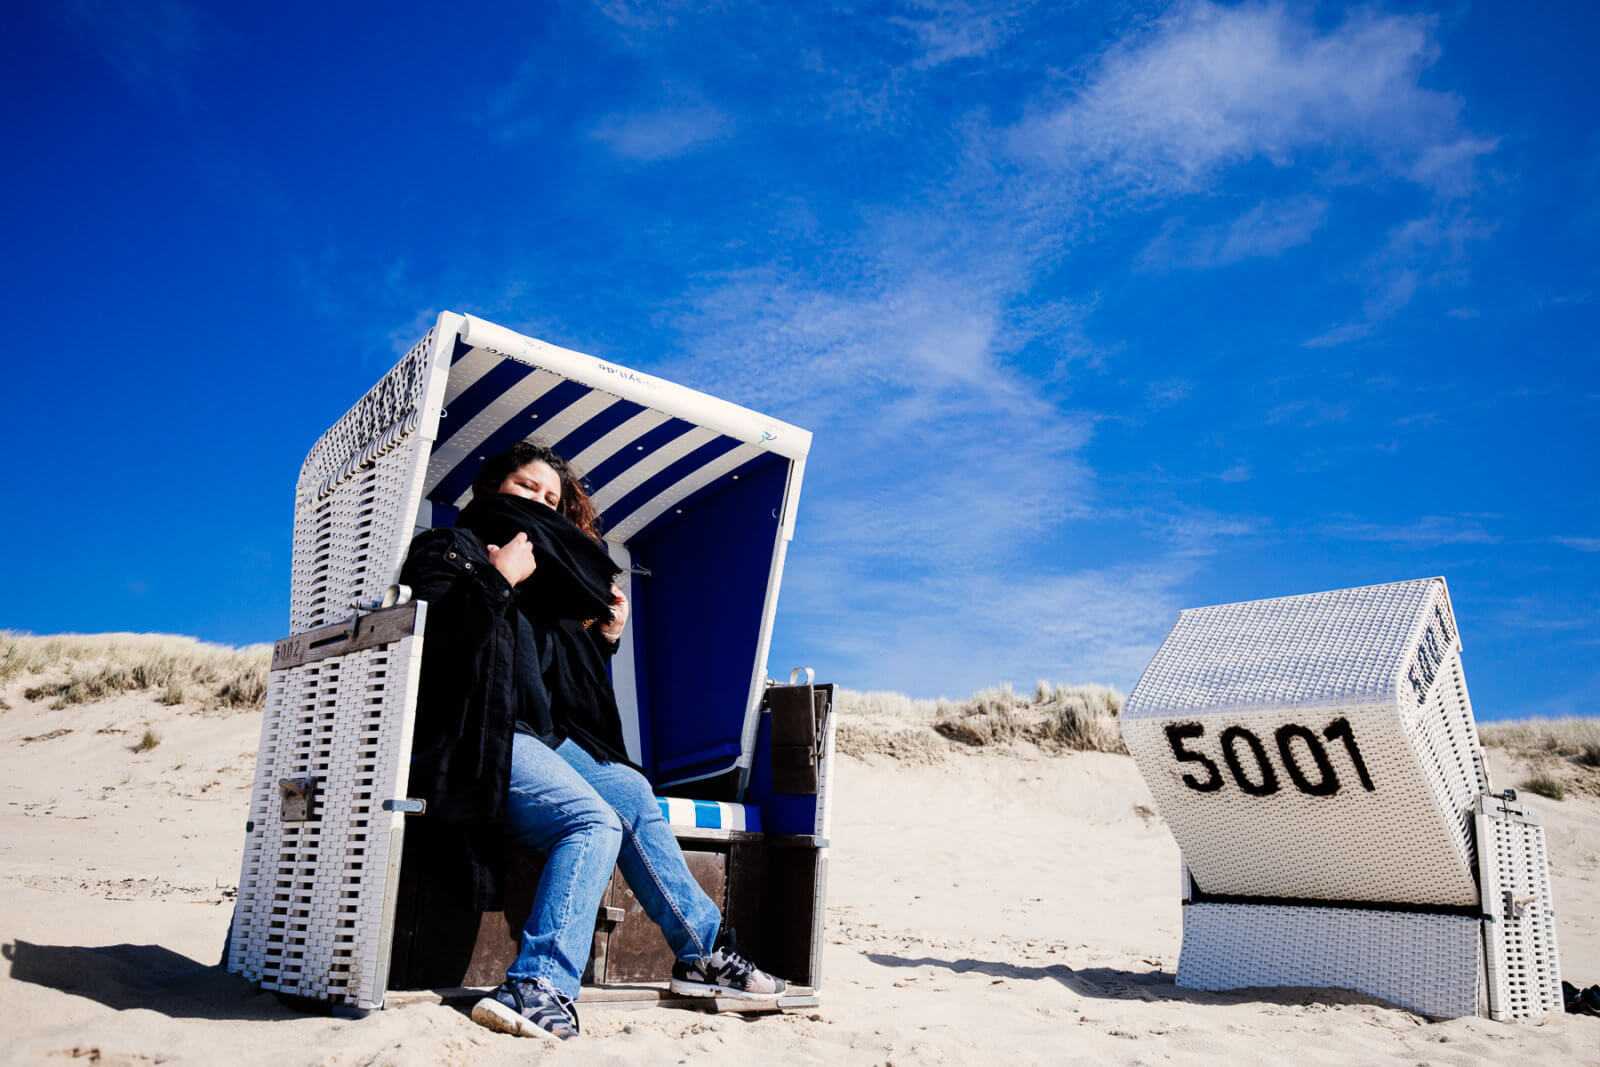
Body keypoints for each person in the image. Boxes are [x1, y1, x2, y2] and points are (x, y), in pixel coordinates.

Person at [399, 442, 786, 1043]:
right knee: (592, 822)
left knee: (630, 789)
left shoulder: (549, 593)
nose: (541, 504)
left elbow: (562, 692)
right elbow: (434, 646)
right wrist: (497, 580)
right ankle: (538, 985)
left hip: (539, 736)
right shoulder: (452, 548)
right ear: (491, 490)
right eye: (528, 489)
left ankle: (703, 956)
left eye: (552, 498)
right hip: (477, 735)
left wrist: (604, 640)